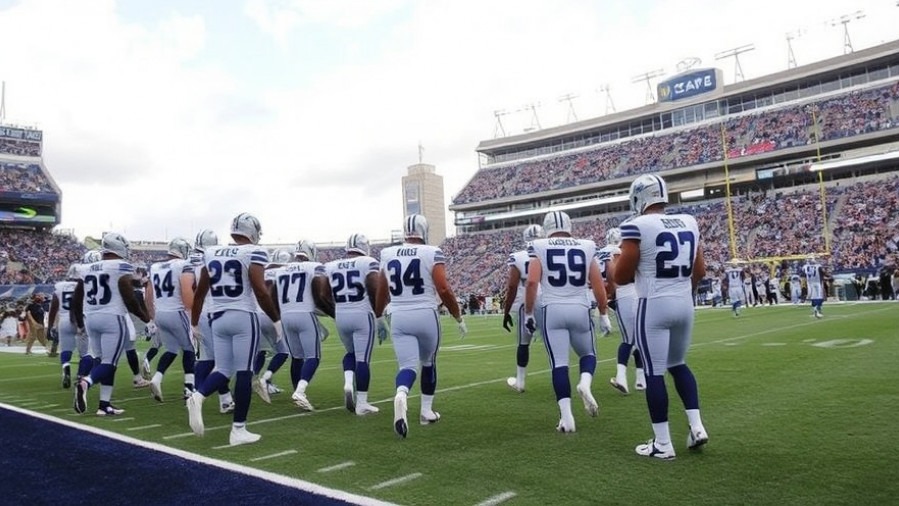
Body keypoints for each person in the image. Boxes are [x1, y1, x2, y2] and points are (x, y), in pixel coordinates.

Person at [614, 173, 708, 459]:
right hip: (684, 302)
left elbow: (621, 277)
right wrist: (683, 292)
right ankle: (697, 426)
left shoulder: (636, 225)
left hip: (653, 303)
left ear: (639, 197)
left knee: (654, 373)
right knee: (678, 364)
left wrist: (622, 260)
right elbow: (700, 271)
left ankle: (663, 444)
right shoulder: (689, 221)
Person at [187, 213, 281, 446]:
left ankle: (198, 395)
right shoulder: (253, 252)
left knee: (223, 368)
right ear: (253, 231)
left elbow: (199, 293)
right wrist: (276, 319)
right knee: (244, 372)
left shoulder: (211, 252)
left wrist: (194, 322)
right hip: (243, 316)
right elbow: (260, 290)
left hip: (217, 318)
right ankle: (238, 429)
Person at [376, 214, 467, 438]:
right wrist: (458, 316)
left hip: (398, 315)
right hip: (425, 313)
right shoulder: (431, 252)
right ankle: (426, 411)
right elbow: (443, 289)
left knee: (407, 367)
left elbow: (381, 289)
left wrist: (378, 316)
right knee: (428, 363)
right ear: (423, 230)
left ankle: (401, 394)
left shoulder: (388, 254)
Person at [523, 211, 612, 433]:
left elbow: (532, 282)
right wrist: (603, 313)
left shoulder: (539, 245)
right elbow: (597, 284)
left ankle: (567, 418)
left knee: (559, 363)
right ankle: (585, 383)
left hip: (553, 309)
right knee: (588, 354)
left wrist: (529, 313)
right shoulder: (586, 245)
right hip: (580, 307)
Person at [71, 232, 153, 416]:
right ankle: (86, 383)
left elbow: (77, 297)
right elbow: (129, 299)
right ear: (119, 247)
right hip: (112, 318)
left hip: (91, 318)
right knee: (110, 363)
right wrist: (146, 318)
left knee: (102, 360)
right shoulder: (121, 266)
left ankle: (104, 404)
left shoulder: (87, 267)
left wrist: (80, 322)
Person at [272, 239, 334, 411]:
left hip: (285, 316)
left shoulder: (282, 269)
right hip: (304, 314)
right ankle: (300, 392)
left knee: (297, 357)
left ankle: (296, 392)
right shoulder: (313, 266)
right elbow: (320, 294)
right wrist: (332, 312)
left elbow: (273, 295)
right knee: (313, 357)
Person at [324, 234, 381, 415]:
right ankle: (362, 402)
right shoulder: (368, 262)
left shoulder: (331, 266)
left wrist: (336, 310)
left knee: (350, 353)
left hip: (341, 314)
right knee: (362, 359)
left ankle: (349, 382)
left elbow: (323, 293)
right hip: (362, 313)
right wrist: (379, 315)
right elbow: (375, 289)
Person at [144, 238, 197, 402]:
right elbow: (186, 291)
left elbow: (148, 295)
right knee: (190, 349)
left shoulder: (154, 267)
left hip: (161, 313)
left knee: (171, 350)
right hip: (178, 312)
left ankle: (157, 378)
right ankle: (189, 388)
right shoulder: (183, 265)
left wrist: (152, 317)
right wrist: (192, 315)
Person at [189, 229, 234, 414]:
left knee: (207, 358)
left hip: (201, 313)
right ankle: (204, 396)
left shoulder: (193, 262)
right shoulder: (215, 261)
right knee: (223, 361)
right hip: (215, 313)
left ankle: (222, 399)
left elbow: (193, 289)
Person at [501, 223, 545, 393]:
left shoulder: (518, 257)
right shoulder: (547, 253)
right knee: (554, 342)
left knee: (523, 343)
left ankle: (520, 381)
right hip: (549, 301)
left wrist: (506, 312)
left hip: (527, 303)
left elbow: (512, 287)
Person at [604, 225, 645, 395]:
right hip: (635, 291)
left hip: (623, 293)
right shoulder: (626, 250)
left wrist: (611, 295)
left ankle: (623, 377)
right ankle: (640, 379)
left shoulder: (608, 251)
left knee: (629, 339)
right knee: (637, 338)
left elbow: (611, 275)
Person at [251, 248, 292, 403]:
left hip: (256, 314)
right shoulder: (285, 272)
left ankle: (252, 381)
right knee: (283, 352)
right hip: (271, 315)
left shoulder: (262, 271)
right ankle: (265, 381)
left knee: (261, 351)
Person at [47, 265, 85, 388]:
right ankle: (80, 375)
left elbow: (53, 308)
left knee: (66, 350)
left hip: (64, 320)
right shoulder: (84, 285)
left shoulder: (59, 286)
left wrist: (50, 326)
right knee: (84, 353)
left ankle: (66, 368)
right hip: (81, 319)